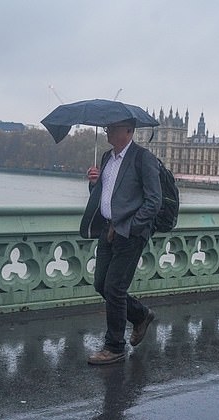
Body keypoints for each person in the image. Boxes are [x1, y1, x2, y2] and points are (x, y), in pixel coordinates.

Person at [80, 118, 162, 365]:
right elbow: (103, 196)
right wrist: (93, 183)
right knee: (101, 284)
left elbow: (154, 201)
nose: (107, 131)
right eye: (107, 127)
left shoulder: (142, 158)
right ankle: (140, 315)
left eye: (112, 128)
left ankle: (114, 346)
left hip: (129, 234)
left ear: (128, 131)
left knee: (115, 288)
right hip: (107, 230)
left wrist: (130, 226)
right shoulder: (106, 158)